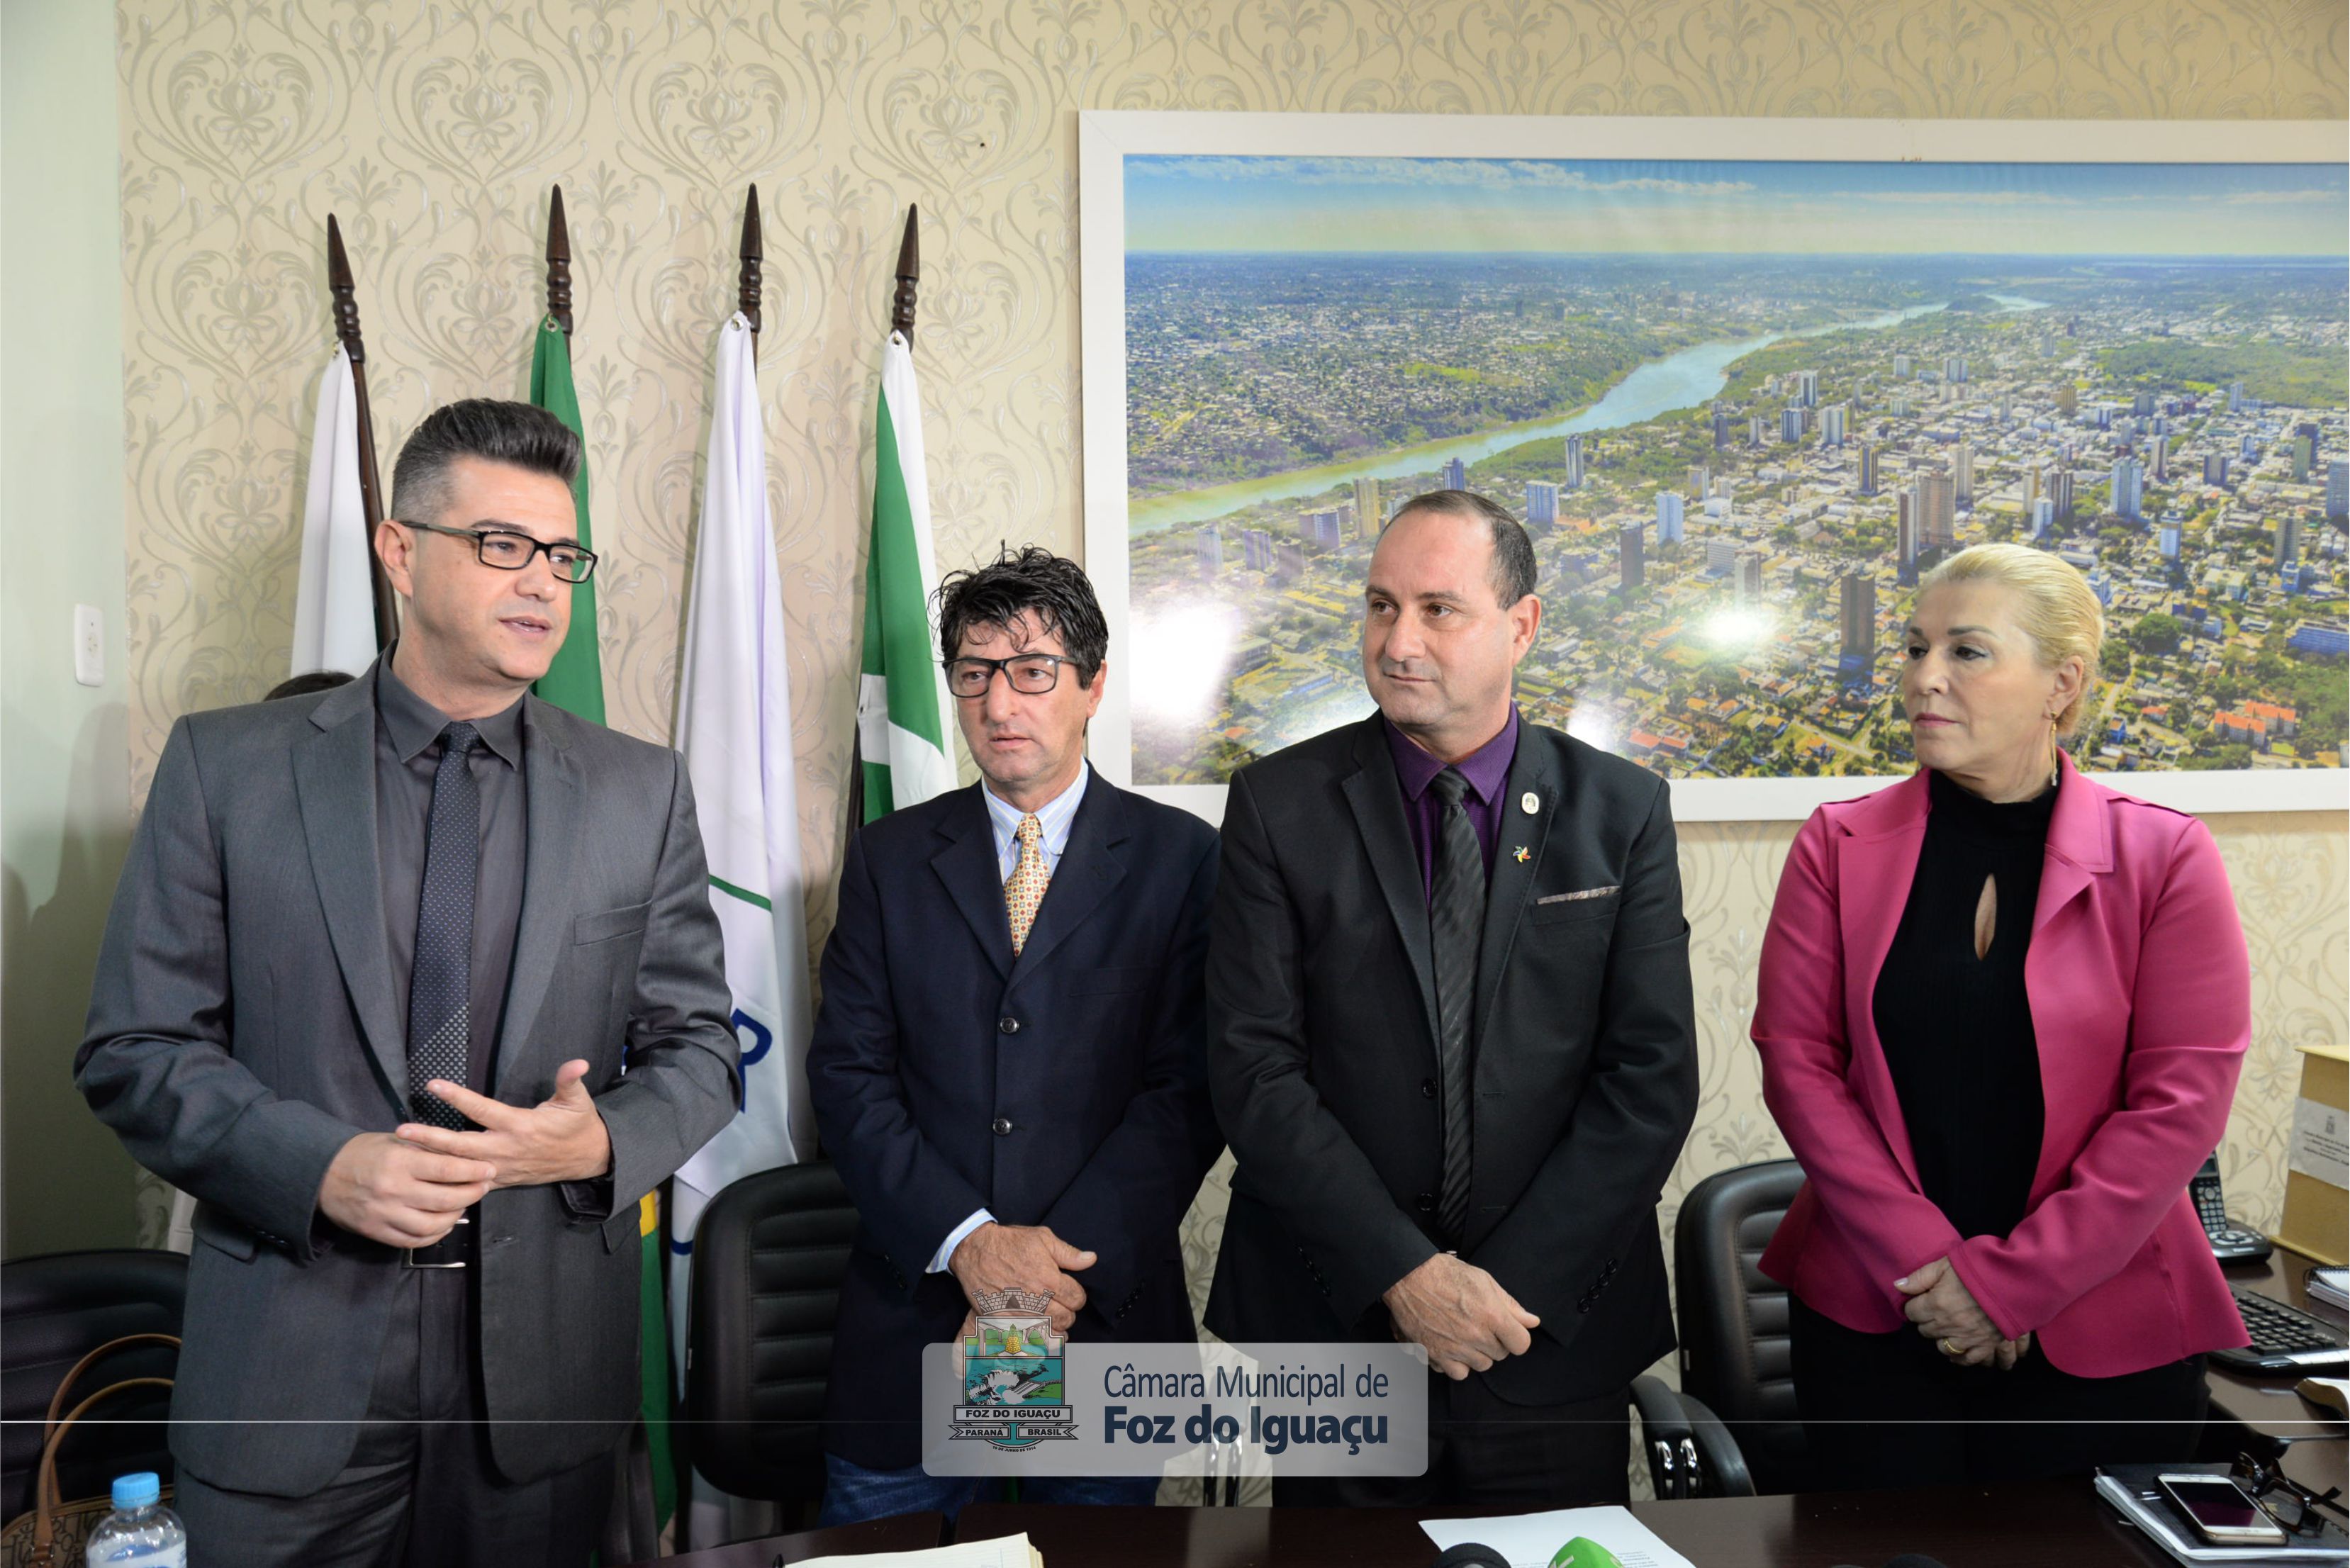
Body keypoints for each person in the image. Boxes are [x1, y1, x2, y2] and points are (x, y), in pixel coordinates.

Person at [76, 399, 740, 1566]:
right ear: (399, 551)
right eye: (502, 544)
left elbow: (701, 1052)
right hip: (292, 1369)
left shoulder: (640, 791)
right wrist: (322, 1166)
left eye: (563, 555)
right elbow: (135, 1048)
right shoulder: (229, 769)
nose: (541, 582)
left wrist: (591, 1142)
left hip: (539, 1387)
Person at [1205, 489, 1699, 1508]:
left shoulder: (1622, 810)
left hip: (1547, 1331)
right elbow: (1254, 1069)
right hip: (1341, 1322)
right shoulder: (1275, 805)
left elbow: (1650, 1079)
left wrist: (1501, 1291)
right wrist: (1408, 1276)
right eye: (1381, 606)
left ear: (1521, 625)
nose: (1398, 642)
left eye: (1438, 610)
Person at [1753, 542, 2251, 1487]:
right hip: (1878, 1313)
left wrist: (2009, 1287)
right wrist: (1937, 1274)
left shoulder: (2166, 858)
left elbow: (2180, 1105)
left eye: (1967, 652)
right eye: (1914, 649)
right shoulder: (1837, 844)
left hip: (2100, 1329)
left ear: (2063, 683)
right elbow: (1798, 1065)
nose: (1924, 678)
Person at [807, 546, 1222, 1523]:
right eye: (974, 673)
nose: (999, 705)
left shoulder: (1184, 861)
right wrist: (971, 1247)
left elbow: (1192, 1092)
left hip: (1096, 1318)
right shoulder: (888, 860)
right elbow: (849, 1080)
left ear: (1093, 686)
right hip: (916, 1321)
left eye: (1032, 672)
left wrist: (1032, 1287)